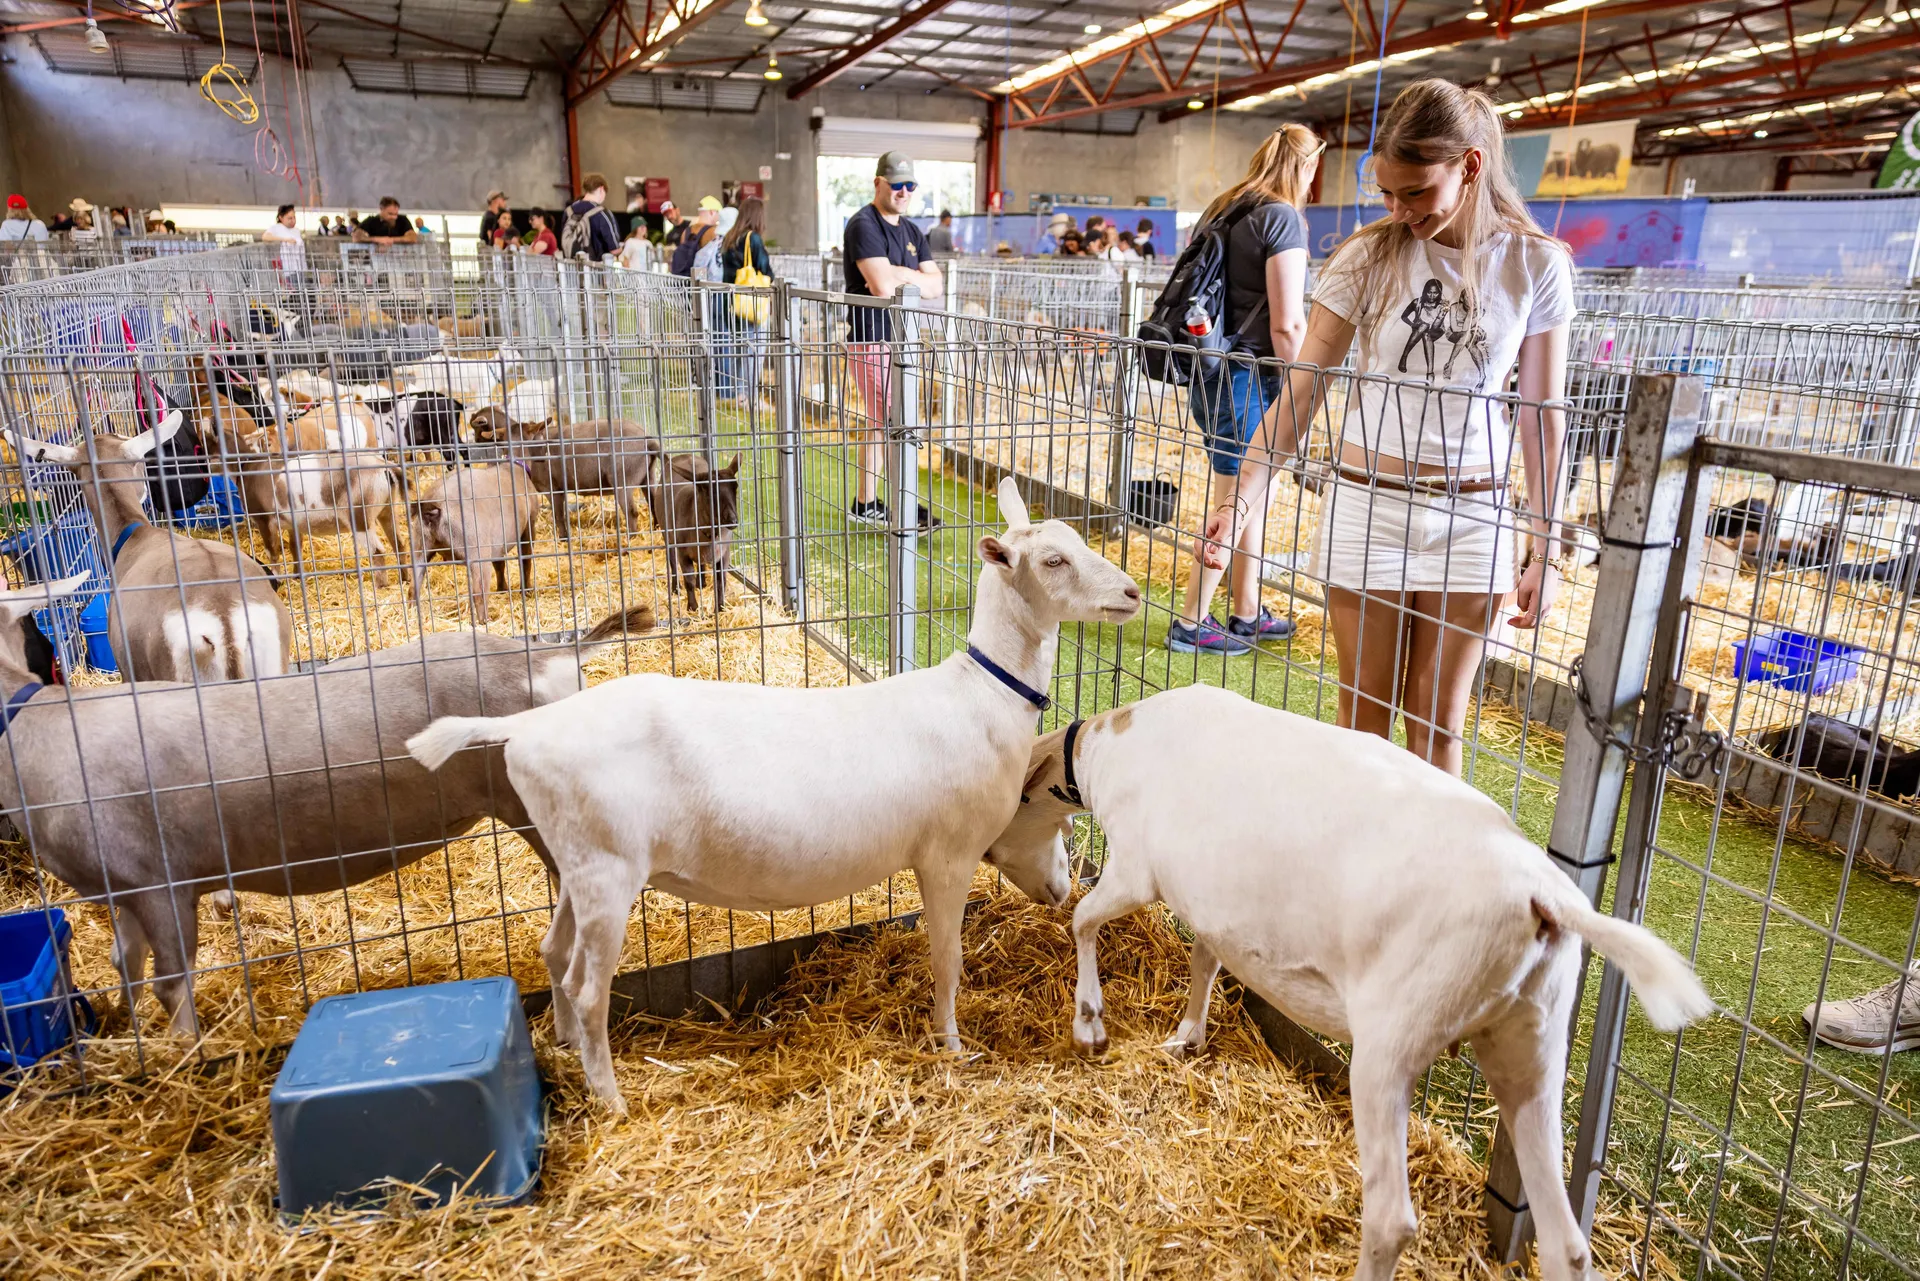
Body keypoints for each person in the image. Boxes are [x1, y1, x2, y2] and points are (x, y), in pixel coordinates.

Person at [1198, 80, 1573, 777]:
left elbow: (1543, 419)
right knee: (1362, 720)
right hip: (1367, 503)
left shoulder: (1534, 264)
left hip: (1475, 512)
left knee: (1438, 725)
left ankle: (1439, 884)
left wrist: (1544, 550)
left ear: (1469, 166)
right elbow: (1301, 394)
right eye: (1388, 194)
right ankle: (1353, 881)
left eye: (1417, 193)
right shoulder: (1367, 258)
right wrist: (1238, 498)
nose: (1401, 210)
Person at [1166, 124, 1322, 656]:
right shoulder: (1283, 218)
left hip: (1211, 367)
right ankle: (1190, 621)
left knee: (1249, 494)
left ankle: (1246, 611)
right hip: (1251, 375)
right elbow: (1287, 325)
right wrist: (1307, 383)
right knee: (1239, 498)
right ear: (1307, 164)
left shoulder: (1226, 206)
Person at [842, 150, 943, 533]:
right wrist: (908, 274)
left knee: (884, 421)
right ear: (878, 183)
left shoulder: (913, 231)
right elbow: (881, 286)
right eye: (896, 184)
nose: (903, 191)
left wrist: (897, 271)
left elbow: (936, 285)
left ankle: (868, 502)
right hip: (872, 337)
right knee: (892, 419)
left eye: (909, 185)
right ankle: (898, 503)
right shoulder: (863, 225)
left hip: (903, 339)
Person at [721, 195, 773, 408]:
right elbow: (764, 268)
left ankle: (738, 395)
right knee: (754, 349)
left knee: (738, 349)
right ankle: (749, 398)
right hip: (751, 302)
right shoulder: (753, 239)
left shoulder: (730, 237)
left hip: (732, 301)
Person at [564, 171, 621, 262]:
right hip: (595, 270)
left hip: (571, 270)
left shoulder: (568, 211)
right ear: (601, 189)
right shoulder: (602, 213)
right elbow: (614, 249)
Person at [670, 196, 720, 276]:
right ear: (712, 212)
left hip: (685, 280)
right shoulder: (713, 232)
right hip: (702, 282)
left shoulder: (686, 231)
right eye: (718, 213)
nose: (718, 218)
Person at [262, 203, 304, 272]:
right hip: (286, 267)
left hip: (299, 266)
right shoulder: (276, 227)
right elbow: (265, 237)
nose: (293, 220)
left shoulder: (296, 230)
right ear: (281, 217)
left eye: (294, 217)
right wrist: (285, 240)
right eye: (289, 218)